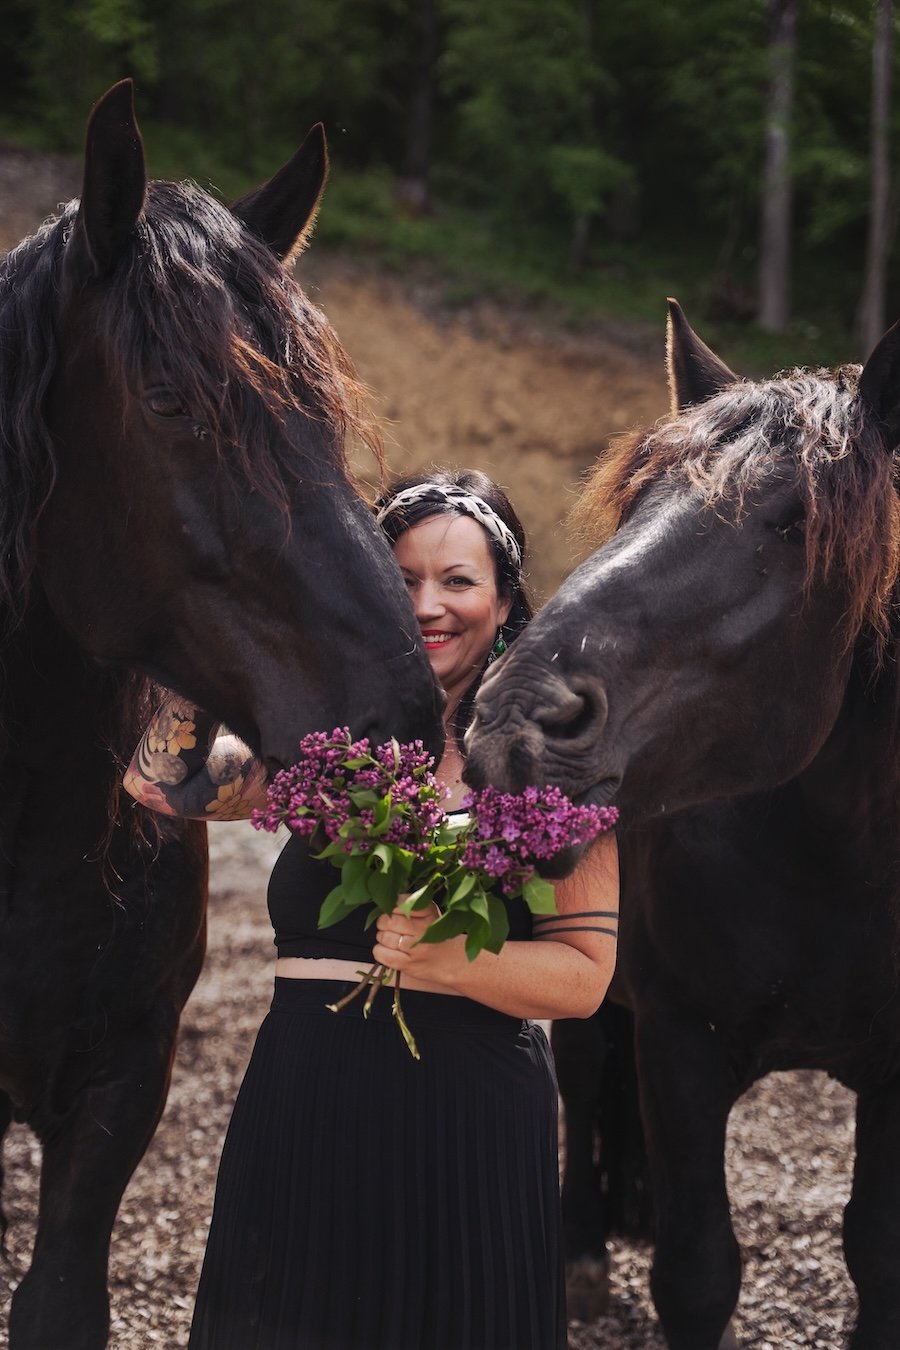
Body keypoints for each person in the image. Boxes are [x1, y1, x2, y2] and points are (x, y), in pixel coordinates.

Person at [124, 467, 619, 1350]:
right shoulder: (325, 743)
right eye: (400, 580)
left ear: (505, 604)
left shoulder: (556, 763)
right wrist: (217, 625)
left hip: (469, 1121)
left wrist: (454, 960)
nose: (429, 603)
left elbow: (584, 978)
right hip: (310, 1098)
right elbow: (162, 782)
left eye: (459, 581)